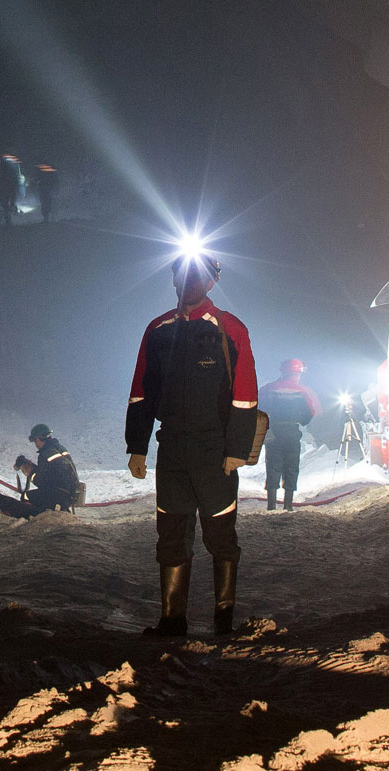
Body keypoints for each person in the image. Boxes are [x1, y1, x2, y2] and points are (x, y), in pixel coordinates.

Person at [126, 249, 258, 637]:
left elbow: (245, 394)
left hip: (214, 450)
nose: (189, 283)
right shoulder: (157, 330)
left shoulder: (230, 329)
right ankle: (172, 620)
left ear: (212, 282)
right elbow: (141, 391)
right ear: (173, 280)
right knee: (171, 532)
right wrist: (138, 445)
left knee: (219, 535)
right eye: (182, 276)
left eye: (198, 277)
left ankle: (223, 618)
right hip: (173, 451)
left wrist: (236, 449)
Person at [258, 357, 321, 511]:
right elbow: (312, 412)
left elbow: (258, 408)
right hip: (292, 433)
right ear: (298, 373)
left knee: (273, 466)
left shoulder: (268, 389)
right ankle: (288, 505)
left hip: (273, 432)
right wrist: (301, 420)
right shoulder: (303, 391)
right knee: (291, 466)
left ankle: (271, 506)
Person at [0, 423, 79, 517]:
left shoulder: (45, 454)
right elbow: (53, 473)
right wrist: (33, 466)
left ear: (40, 438)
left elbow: (42, 481)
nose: (35, 444)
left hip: (57, 496)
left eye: (35, 440)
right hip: (69, 495)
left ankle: (35, 514)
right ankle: (57, 508)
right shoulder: (60, 449)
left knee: (26, 496)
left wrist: (30, 471)